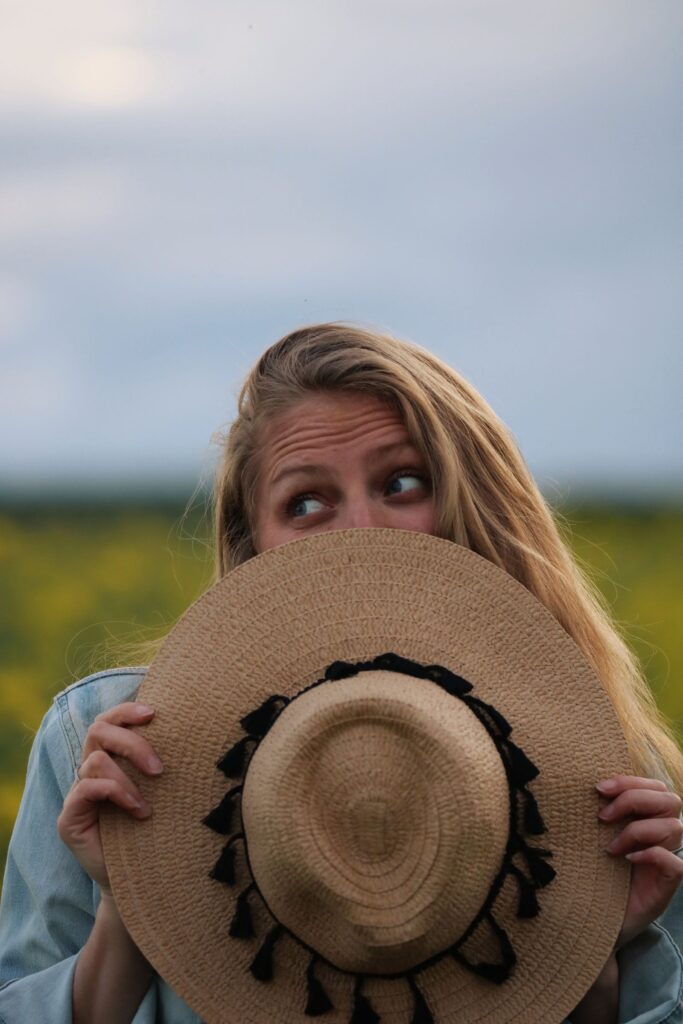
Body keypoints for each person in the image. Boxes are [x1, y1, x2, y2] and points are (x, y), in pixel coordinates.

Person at [0, 322, 681, 1024]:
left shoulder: (608, 781)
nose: (360, 530)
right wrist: (133, 908)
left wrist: (589, 963)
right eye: (305, 502)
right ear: (253, 547)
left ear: (478, 508)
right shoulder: (110, 750)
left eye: (402, 483)